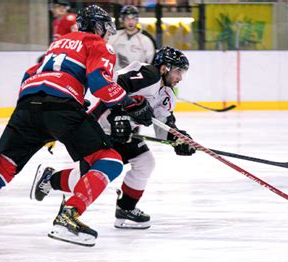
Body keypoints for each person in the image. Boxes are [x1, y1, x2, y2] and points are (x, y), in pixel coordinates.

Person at [0, 5, 154, 247]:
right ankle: (69, 216)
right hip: (61, 108)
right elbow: (100, 84)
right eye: (107, 30)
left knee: (3, 166)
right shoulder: (98, 44)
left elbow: (30, 74)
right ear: (99, 27)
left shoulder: (59, 43)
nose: (109, 35)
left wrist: (42, 123)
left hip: (27, 106)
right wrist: (129, 102)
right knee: (109, 159)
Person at [30, 47, 195, 230]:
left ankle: (126, 209)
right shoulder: (149, 74)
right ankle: (50, 179)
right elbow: (113, 84)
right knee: (90, 178)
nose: (180, 77)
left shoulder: (167, 95)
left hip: (124, 133)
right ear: (164, 68)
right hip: (99, 126)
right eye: (178, 71)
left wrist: (178, 139)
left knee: (145, 162)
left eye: (183, 73)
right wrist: (118, 115)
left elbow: (162, 123)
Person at [109, 5, 157, 70]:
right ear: (122, 19)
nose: (130, 21)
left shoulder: (146, 39)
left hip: (137, 78)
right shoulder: (113, 36)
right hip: (116, 77)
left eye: (133, 18)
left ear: (137, 20)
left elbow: (152, 62)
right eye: (127, 18)